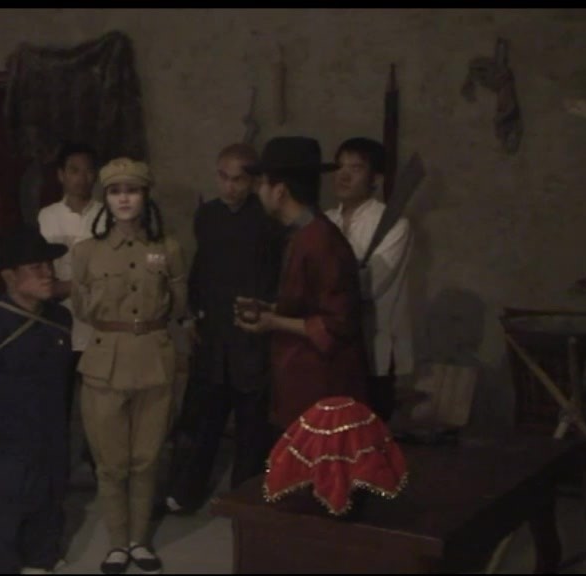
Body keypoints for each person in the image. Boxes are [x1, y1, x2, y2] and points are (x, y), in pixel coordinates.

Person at [70, 157, 187, 575]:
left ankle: (139, 541)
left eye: (132, 190)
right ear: (105, 199)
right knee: (110, 463)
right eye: (115, 192)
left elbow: (179, 305)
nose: (124, 199)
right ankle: (117, 544)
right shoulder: (86, 251)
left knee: (147, 459)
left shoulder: (168, 248)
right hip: (105, 363)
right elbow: (81, 308)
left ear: (145, 196)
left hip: (154, 359)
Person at [163, 143, 284, 515]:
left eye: (238, 180)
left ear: (253, 181)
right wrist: (191, 315)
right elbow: (201, 268)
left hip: (251, 336)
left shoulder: (268, 221)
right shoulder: (208, 215)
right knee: (202, 419)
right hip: (212, 335)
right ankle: (185, 492)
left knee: (252, 426)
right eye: (223, 177)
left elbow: (275, 279)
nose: (229, 186)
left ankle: (244, 499)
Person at [0, 224, 73, 574]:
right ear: (9, 275)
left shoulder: (60, 319)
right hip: (4, 442)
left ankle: (41, 556)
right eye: (36, 267)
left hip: (51, 435)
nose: (48, 273)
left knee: (49, 499)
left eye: (49, 265)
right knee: (2, 513)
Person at [235, 136, 369, 433]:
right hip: (300, 378)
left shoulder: (320, 240)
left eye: (263, 183)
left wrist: (272, 322)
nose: (258, 191)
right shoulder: (303, 234)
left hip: (321, 384)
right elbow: (308, 303)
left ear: (280, 191)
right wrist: (270, 309)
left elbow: (337, 323)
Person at [325, 137, 413, 422]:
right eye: (340, 167)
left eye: (356, 168)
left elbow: (368, 286)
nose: (344, 175)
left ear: (375, 178)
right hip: (330, 348)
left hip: (374, 349)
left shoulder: (394, 224)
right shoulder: (325, 221)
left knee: (368, 432)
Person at [37, 141, 102, 475]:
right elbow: (41, 268)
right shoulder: (47, 216)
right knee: (58, 399)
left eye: (88, 171)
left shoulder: (106, 216)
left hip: (97, 324)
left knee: (97, 403)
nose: (82, 178)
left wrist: (69, 286)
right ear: (61, 175)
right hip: (59, 322)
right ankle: (57, 466)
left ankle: (95, 462)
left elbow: (110, 272)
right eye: (74, 170)